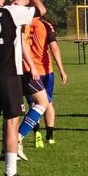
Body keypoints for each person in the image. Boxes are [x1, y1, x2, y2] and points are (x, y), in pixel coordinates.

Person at [0, 0, 46, 176]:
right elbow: (41, 10)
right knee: (12, 123)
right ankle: (10, 174)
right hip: (9, 75)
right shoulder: (12, 12)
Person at [27, 16, 68, 147]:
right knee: (48, 103)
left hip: (28, 70)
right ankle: (50, 136)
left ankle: (37, 133)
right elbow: (54, 48)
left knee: (34, 104)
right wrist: (61, 69)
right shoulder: (45, 25)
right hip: (45, 71)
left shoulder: (22, 23)